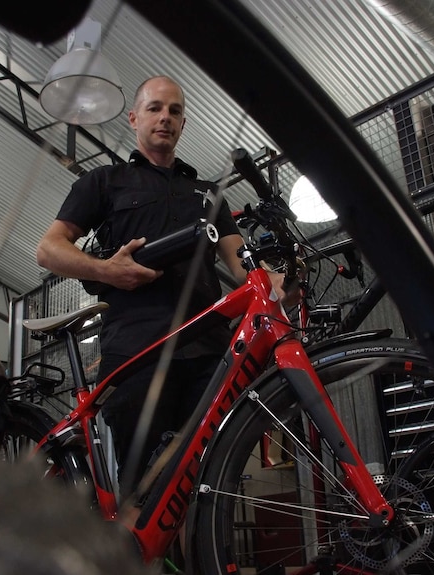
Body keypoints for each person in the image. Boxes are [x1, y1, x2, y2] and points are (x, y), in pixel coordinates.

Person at [37, 76, 284, 499]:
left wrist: (278, 280)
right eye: (154, 108)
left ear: (183, 123)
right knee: (139, 489)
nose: (164, 118)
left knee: (207, 485)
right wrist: (107, 270)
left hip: (208, 351)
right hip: (138, 351)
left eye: (174, 111)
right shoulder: (104, 182)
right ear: (133, 118)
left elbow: (243, 265)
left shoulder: (209, 194)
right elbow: (48, 250)